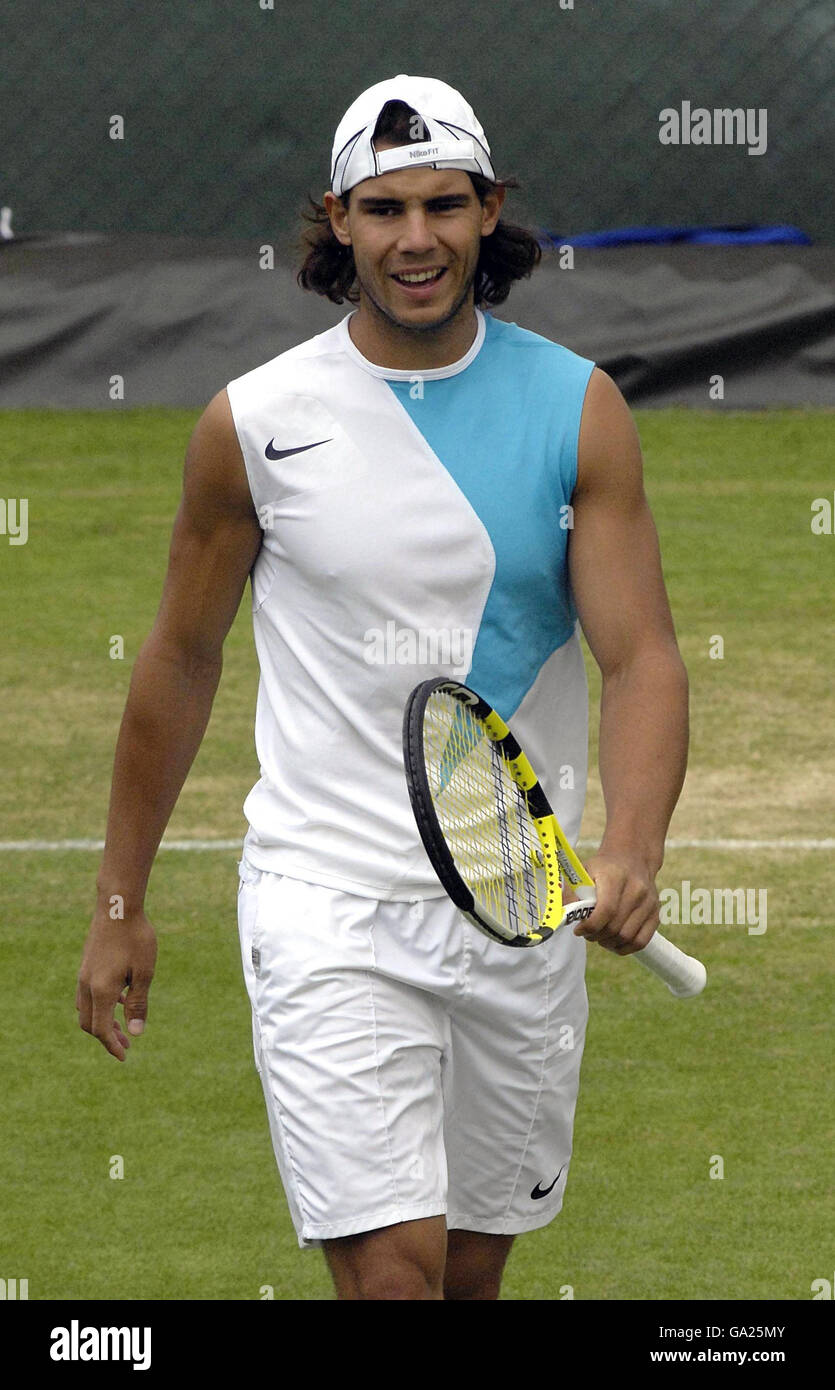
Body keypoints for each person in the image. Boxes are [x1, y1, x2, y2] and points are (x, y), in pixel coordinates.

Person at [77, 75, 688, 1301]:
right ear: (338, 221)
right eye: (384, 208)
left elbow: (642, 656)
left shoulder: (580, 408)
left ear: (489, 210)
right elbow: (179, 663)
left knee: (464, 1282)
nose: (416, 239)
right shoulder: (251, 424)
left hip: (521, 906)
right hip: (325, 901)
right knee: (394, 1282)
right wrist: (118, 898)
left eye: (443, 206)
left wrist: (632, 846)